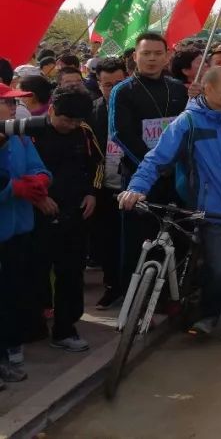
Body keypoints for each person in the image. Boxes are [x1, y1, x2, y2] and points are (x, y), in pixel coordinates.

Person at [119, 66, 221, 345]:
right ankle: (208, 316)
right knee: (218, 269)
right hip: (211, 211)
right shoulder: (187, 123)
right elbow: (156, 158)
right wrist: (136, 188)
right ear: (207, 88)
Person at [109, 32, 191, 296]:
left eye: (158, 53)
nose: (152, 59)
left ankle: (170, 294)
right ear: (136, 57)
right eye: (146, 53)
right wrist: (154, 166)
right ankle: (132, 297)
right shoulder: (123, 90)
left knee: (175, 235)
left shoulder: (178, 89)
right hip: (139, 177)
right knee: (137, 239)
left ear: (167, 56)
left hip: (175, 176)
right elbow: (120, 134)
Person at [29, 87, 102, 352]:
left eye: (74, 121)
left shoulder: (84, 133)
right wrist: (37, 198)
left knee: (71, 273)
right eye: (64, 120)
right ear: (51, 110)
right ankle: (34, 324)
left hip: (75, 213)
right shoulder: (31, 132)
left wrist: (92, 193)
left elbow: (98, 164)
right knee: (36, 272)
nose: (68, 125)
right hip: (38, 214)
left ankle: (65, 329)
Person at [0, 82, 50, 383]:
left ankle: (13, 348)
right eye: (6, 102)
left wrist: (41, 181)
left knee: (15, 292)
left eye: (12, 102)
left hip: (20, 230)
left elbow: (40, 167)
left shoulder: (20, 138)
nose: (13, 107)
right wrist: (10, 189)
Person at [90, 57, 127, 309]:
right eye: (107, 84)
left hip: (136, 185)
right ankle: (113, 286)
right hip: (104, 187)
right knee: (108, 240)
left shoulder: (139, 105)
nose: (113, 89)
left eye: (118, 83)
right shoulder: (92, 112)